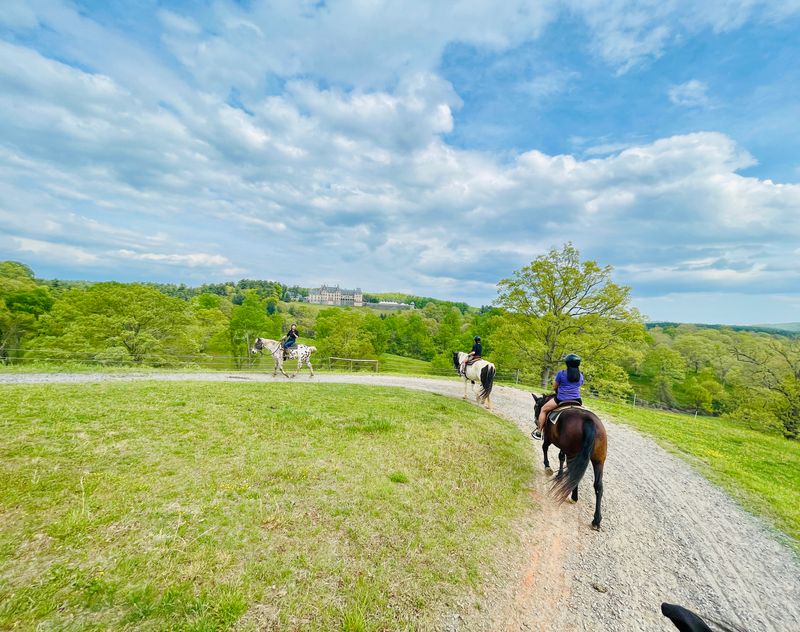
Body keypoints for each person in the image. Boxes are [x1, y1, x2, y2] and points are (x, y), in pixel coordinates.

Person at [532, 353, 584, 440]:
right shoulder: (581, 376)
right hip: (577, 400)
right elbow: (579, 385)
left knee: (543, 409)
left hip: (561, 399)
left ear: (567, 363)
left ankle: (539, 431)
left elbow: (555, 387)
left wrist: (558, 391)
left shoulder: (561, 373)